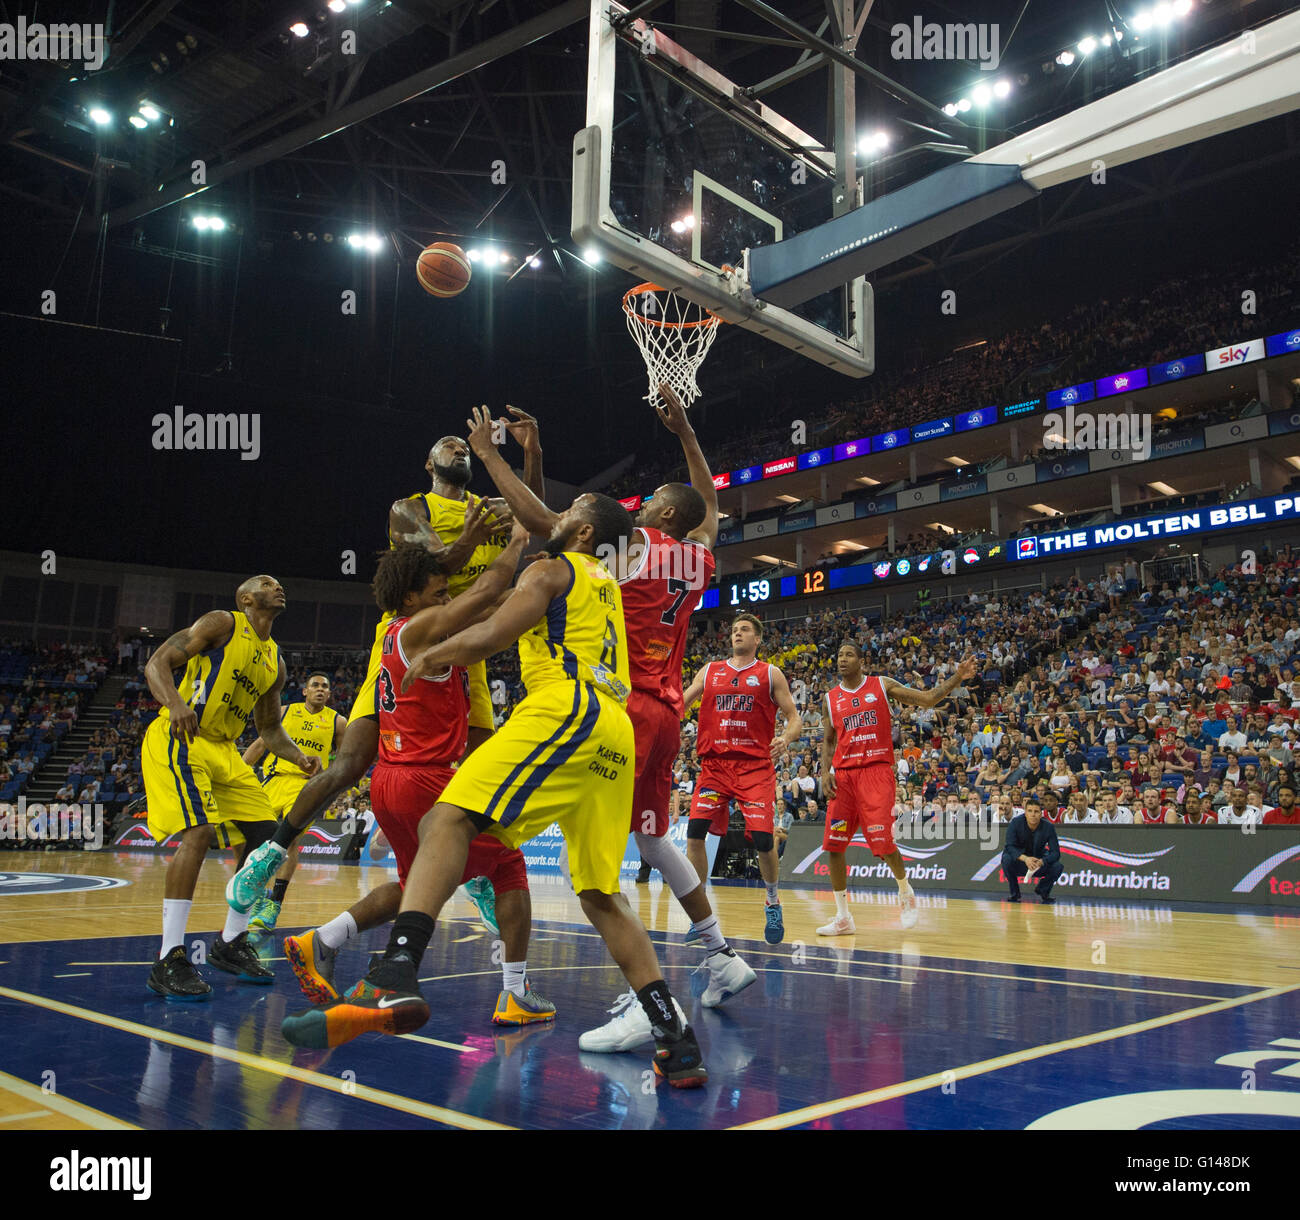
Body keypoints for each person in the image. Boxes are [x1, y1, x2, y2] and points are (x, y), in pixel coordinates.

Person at [280, 493, 709, 1088]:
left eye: (566, 513)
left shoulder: (553, 568)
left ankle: (396, 971)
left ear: (582, 530)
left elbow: (491, 634)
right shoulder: (602, 584)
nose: (552, 519)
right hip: (615, 736)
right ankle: (676, 1038)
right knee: (600, 894)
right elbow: (501, 602)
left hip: (568, 707)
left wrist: (429, 654)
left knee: (445, 820)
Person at [223, 434, 521, 928]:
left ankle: (478, 878)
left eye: (463, 446)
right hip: (408, 643)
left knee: (479, 767)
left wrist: (528, 456)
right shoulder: (408, 509)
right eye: (449, 446)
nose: (459, 449)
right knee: (351, 762)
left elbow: (528, 514)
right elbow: (430, 567)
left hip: (466, 646)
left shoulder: (488, 507)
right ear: (429, 462)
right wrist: (472, 539)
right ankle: (271, 853)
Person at [284, 531, 554, 1025]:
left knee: (418, 886)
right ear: (411, 597)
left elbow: (486, 617)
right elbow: (487, 590)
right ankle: (514, 993)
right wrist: (516, 542)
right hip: (426, 781)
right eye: (438, 593)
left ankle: (323, 939)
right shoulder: (418, 629)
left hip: (391, 780)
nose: (446, 599)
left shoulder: (398, 633)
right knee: (510, 867)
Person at [141, 576, 321, 999]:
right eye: (266, 583)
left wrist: (297, 757)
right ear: (246, 598)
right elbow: (157, 664)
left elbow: (270, 728)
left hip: (225, 749)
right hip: (183, 736)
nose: (277, 587)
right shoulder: (223, 623)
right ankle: (169, 957)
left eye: (278, 584)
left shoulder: (275, 661)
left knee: (267, 844)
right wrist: (176, 703)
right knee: (199, 832)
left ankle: (230, 941)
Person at [816, 641, 975, 936]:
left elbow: (927, 699)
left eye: (849, 654)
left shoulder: (881, 685)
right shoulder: (830, 698)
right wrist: (825, 772)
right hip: (845, 777)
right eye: (839, 655)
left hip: (876, 773)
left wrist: (957, 678)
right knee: (834, 846)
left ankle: (905, 891)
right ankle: (842, 917)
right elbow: (828, 740)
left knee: (884, 844)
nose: (842, 659)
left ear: (861, 661)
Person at [680, 612, 803, 945]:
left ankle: (773, 900)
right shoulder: (710, 671)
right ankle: (700, 913)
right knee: (695, 833)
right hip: (715, 767)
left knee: (763, 840)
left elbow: (794, 718)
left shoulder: (769, 674)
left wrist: (786, 739)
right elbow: (682, 702)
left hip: (754, 767)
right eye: (734, 630)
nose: (738, 634)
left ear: (757, 639)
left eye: (745, 630)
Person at [240, 670, 346, 935]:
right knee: (256, 840)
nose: (320, 689)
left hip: (306, 785)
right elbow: (260, 744)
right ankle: (257, 896)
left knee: (290, 841)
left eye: (325, 686)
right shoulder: (286, 712)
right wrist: (239, 772)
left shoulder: (337, 721)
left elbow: (344, 759)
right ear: (305, 691)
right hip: (273, 780)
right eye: (315, 685)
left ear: (330, 694)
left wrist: (332, 781)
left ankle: (274, 903)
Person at [1002, 797, 1062, 904]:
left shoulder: (1048, 827)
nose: (1033, 814)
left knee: (1057, 866)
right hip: (1020, 861)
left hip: (1038, 862)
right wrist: (1025, 859)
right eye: (1030, 811)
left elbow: (1055, 853)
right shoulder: (1015, 823)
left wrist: (1043, 861)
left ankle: (1043, 890)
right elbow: (1010, 846)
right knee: (1006, 859)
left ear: (1041, 814)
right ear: (1025, 813)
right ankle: (1014, 893)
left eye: (1036, 811)